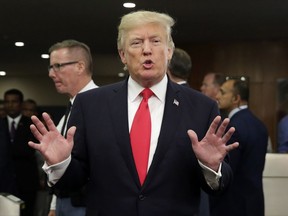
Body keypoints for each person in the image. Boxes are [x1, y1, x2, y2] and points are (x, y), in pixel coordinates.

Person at [29, 10, 239, 216]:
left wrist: (211, 166)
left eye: (156, 41)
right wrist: (60, 163)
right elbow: (74, 182)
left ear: (169, 52)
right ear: (122, 54)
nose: (146, 50)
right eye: (136, 43)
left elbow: (220, 186)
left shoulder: (201, 107)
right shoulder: (89, 104)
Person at [47, 39, 98, 216]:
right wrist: (54, 204)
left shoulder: (102, 106)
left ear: (80, 66)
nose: (52, 74)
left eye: (58, 66)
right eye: (51, 67)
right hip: (64, 201)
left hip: (89, 204)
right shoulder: (69, 110)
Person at [210, 79, 268, 216]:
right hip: (255, 202)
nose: (217, 96)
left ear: (236, 99)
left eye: (223, 92)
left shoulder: (233, 127)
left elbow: (226, 173)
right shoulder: (260, 125)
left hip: (233, 205)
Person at [3, 88, 40, 216]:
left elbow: (29, 150)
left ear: (21, 104)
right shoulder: (0, 124)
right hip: (3, 182)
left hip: (26, 181)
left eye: (14, 101)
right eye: (7, 102)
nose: (10, 105)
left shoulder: (32, 124)